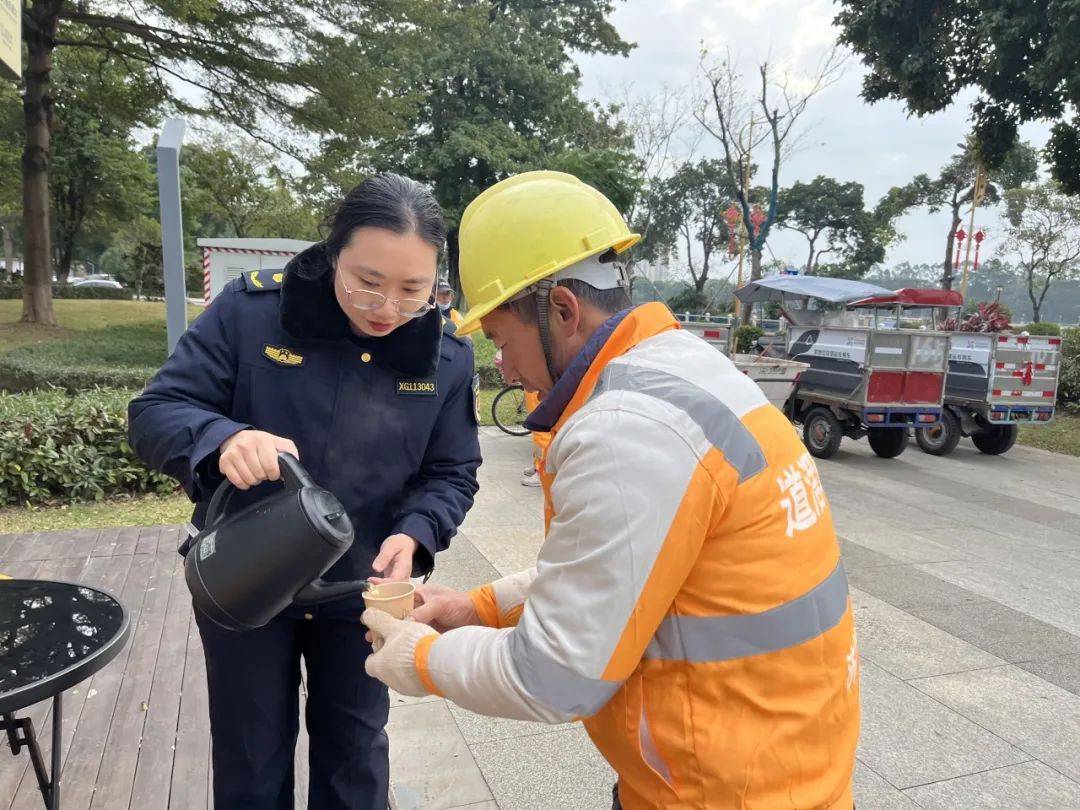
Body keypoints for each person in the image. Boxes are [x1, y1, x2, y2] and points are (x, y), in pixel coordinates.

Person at [361, 171, 859, 809]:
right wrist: (479, 608)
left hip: (717, 793)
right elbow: (625, 571)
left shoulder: (628, 429)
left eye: (502, 342)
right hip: (772, 767)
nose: (504, 369)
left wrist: (423, 659)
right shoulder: (682, 367)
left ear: (562, 310)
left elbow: (554, 676)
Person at [128, 173, 481, 810]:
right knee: (250, 756)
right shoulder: (252, 312)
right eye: (367, 282)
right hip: (248, 578)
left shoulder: (446, 357)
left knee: (357, 759)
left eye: (412, 291)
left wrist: (417, 532)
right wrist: (222, 437)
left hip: (361, 588)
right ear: (333, 253)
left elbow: (452, 472)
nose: (386, 308)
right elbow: (156, 410)